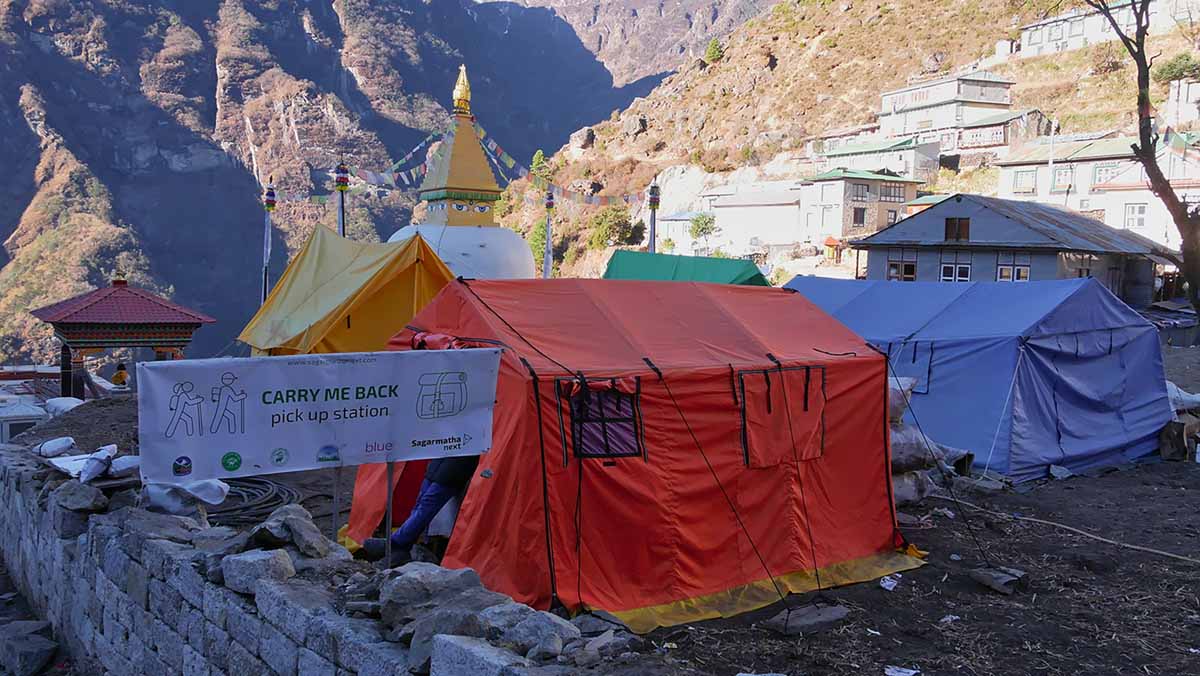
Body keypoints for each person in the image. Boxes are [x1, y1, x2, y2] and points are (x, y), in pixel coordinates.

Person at [362, 455, 479, 566]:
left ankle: (395, 543)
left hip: (460, 457)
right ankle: (401, 547)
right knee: (422, 499)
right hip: (444, 454)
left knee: (428, 501)